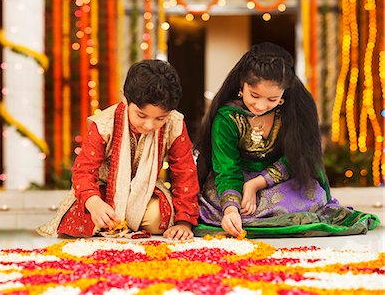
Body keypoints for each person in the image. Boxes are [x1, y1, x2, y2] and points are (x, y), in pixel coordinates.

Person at [194, 42, 380, 237]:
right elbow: (226, 168)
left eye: (272, 99)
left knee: (310, 196)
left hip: (277, 181)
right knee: (219, 206)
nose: (260, 105)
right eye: (254, 95)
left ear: (285, 92)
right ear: (242, 83)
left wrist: (257, 183)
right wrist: (231, 209)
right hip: (233, 182)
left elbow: (297, 158)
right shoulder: (227, 117)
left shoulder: (293, 112)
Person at [37, 59, 199, 240]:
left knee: (158, 218)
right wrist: (94, 202)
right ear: (125, 98)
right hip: (103, 192)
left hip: (145, 193)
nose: (149, 125)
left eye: (159, 119)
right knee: (84, 220)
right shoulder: (105, 124)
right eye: (141, 115)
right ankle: (114, 218)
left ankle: (123, 220)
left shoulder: (174, 123)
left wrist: (183, 222)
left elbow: (185, 172)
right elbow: (83, 171)